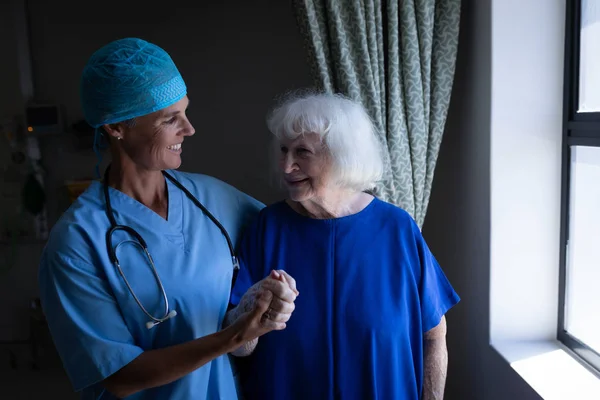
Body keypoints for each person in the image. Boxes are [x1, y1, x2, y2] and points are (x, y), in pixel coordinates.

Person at [37, 37, 297, 400]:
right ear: (116, 127)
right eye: (169, 119)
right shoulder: (77, 243)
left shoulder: (213, 199)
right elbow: (121, 375)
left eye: (186, 112)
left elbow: (291, 229)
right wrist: (234, 336)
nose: (189, 129)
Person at [227, 92, 460, 400]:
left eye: (302, 152)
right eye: (283, 150)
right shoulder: (266, 228)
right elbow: (239, 347)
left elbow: (434, 335)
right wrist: (255, 310)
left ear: (342, 155)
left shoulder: (397, 229)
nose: (286, 166)